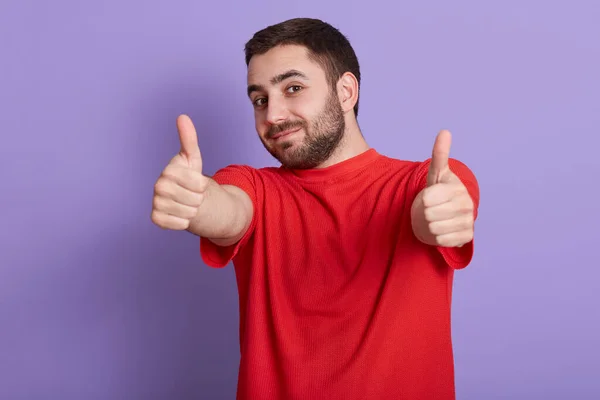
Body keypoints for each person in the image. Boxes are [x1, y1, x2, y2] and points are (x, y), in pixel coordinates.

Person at [151, 17, 480, 400]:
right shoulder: (252, 186)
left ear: (345, 92)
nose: (272, 115)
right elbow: (227, 211)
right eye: (260, 100)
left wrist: (442, 212)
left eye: (293, 88)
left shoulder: (420, 183)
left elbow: (443, 201)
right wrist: (197, 202)